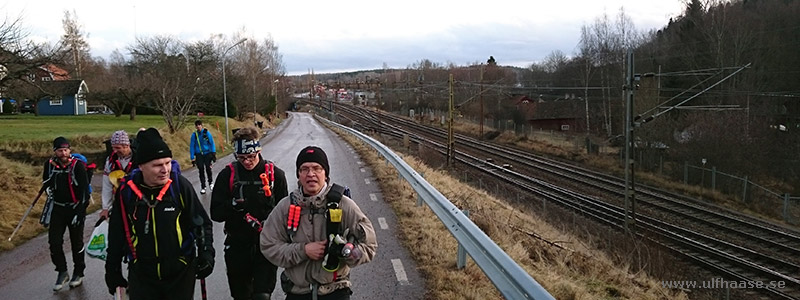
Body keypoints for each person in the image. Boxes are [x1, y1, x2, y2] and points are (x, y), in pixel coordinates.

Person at [105, 128, 215, 300]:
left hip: (180, 272)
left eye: (168, 162)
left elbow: (201, 223)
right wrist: (112, 269)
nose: (165, 169)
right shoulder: (126, 192)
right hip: (142, 274)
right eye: (157, 165)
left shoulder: (179, 186)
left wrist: (206, 253)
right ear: (141, 166)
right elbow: (117, 232)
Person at [260, 146, 377, 300]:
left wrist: (349, 252)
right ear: (299, 175)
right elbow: (268, 245)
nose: (311, 174)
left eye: (317, 168)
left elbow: (369, 245)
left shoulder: (343, 204)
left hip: (335, 292)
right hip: (298, 293)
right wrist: (303, 250)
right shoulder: (285, 207)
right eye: (304, 169)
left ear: (325, 173)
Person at [211, 127, 289, 300]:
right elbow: (215, 213)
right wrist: (232, 206)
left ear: (259, 151)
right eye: (242, 158)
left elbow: (285, 213)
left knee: (262, 296)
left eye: (251, 157)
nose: (247, 162)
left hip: (266, 245)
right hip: (237, 246)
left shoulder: (276, 175)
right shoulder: (227, 176)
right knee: (241, 296)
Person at [42, 136, 90, 290]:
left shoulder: (77, 166)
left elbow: (84, 191)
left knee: (77, 242)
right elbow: (46, 183)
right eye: (60, 150)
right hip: (57, 208)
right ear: (55, 151)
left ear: (70, 150)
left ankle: (78, 272)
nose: (63, 153)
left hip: (75, 207)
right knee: (54, 242)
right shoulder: (49, 165)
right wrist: (48, 189)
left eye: (66, 150)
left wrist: (80, 212)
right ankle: (62, 271)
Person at [100, 130, 136, 220]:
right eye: (113, 148)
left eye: (118, 148)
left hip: (137, 201)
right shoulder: (110, 160)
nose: (115, 151)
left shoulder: (138, 158)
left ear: (127, 146)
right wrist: (105, 208)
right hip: (119, 200)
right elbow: (107, 185)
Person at [189, 120, 217, 194]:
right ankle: (203, 186)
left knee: (208, 168)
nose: (198, 126)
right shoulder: (194, 135)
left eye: (199, 125)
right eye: (197, 125)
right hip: (199, 154)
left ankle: (211, 183)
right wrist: (192, 157)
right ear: (195, 126)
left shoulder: (206, 133)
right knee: (201, 169)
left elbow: (211, 143)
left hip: (207, 153)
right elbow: (192, 146)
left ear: (202, 125)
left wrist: (213, 153)